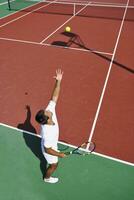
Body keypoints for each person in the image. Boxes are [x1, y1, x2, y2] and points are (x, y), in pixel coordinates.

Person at [35, 69, 66, 184]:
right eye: (46, 112)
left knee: (55, 161)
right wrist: (59, 154)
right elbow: (48, 149)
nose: (47, 110)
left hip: (51, 144)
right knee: (54, 164)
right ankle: (46, 178)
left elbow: (54, 97)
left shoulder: (49, 111)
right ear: (46, 119)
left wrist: (58, 81)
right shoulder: (48, 133)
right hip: (49, 149)